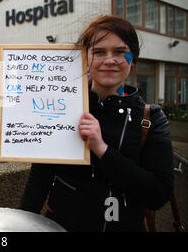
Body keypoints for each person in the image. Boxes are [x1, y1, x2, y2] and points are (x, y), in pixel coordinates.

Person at [20, 15, 174, 232]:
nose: (109, 60)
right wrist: (23, 224)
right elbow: (39, 179)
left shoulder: (151, 118)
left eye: (120, 52)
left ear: (133, 58)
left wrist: (101, 149)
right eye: (99, 52)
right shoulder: (61, 106)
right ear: (86, 58)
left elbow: (158, 195)